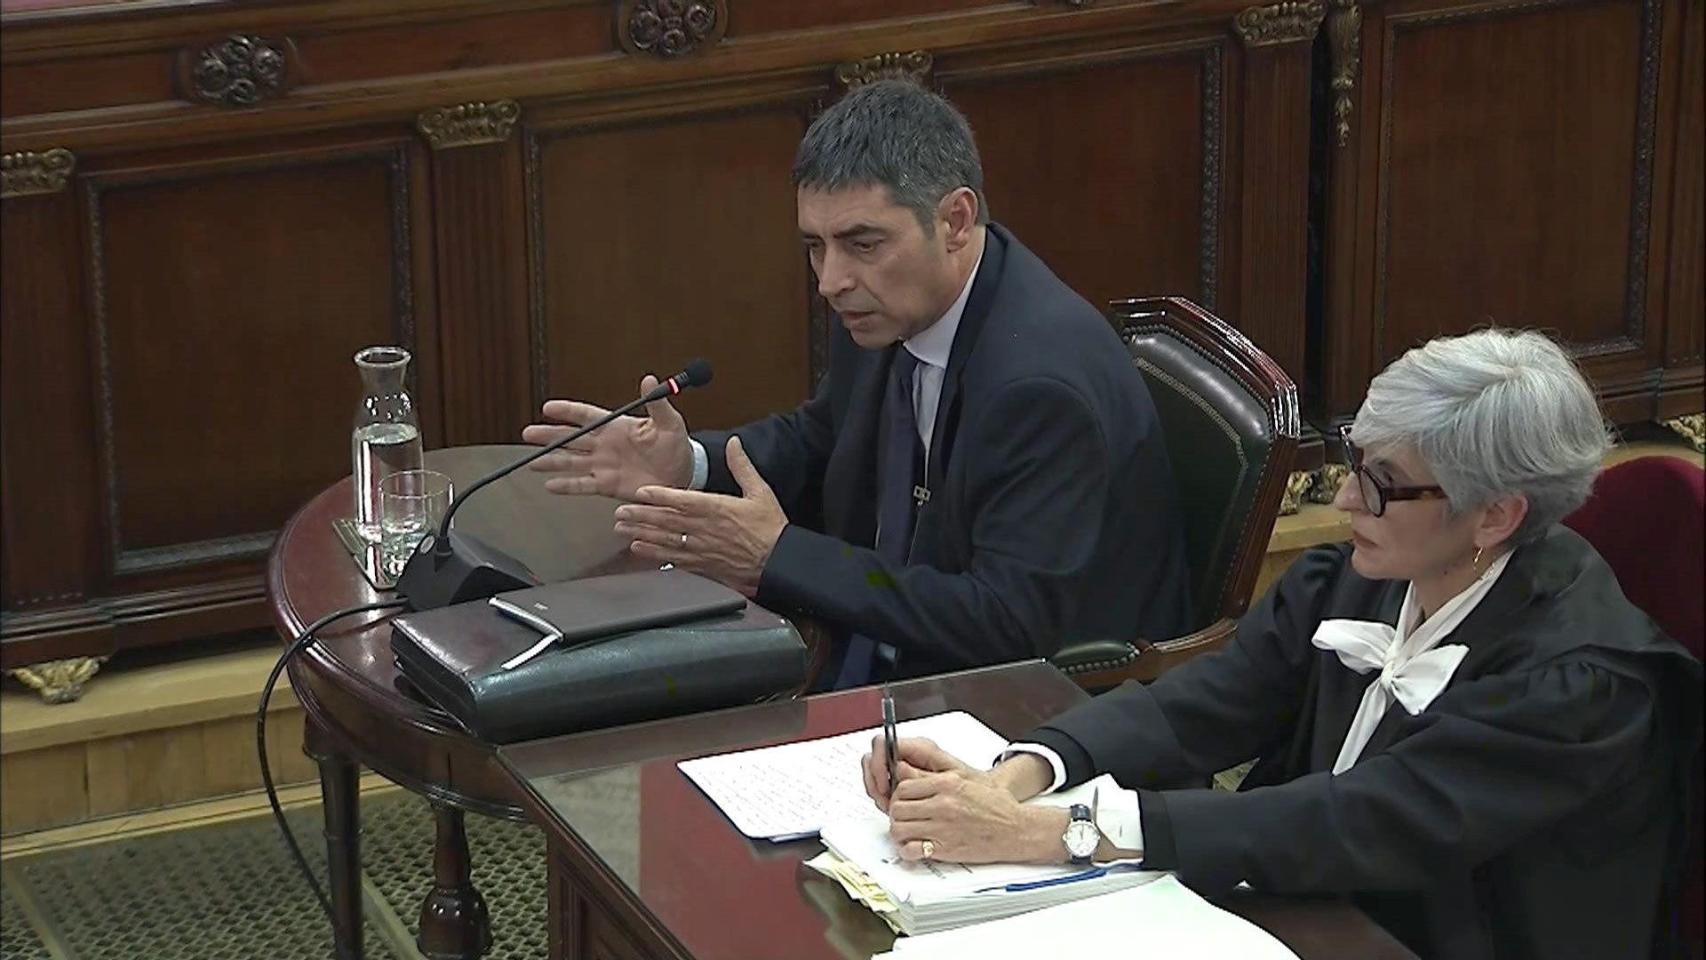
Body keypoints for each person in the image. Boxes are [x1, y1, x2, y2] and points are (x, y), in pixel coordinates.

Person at [862, 328, 1703, 959]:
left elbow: (1356, 821)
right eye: (1354, 461)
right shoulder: (1369, 570)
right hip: (1311, 904)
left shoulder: (1579, 689)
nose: (1345, 500)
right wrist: (1017, 775)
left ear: (1495, 515)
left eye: (1381, 484)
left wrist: (1061, 832)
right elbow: (1208, 704)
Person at [523, 80, 1191, 687]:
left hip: (1029, 709)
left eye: (863, 243)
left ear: (955, 222)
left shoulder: (1039, 388)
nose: (830, 281)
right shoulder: (892, 306)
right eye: (815, 246)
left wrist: (779, 557)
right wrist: (692, 464)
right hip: (885, 660)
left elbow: (1004, 623)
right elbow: (824, 439)